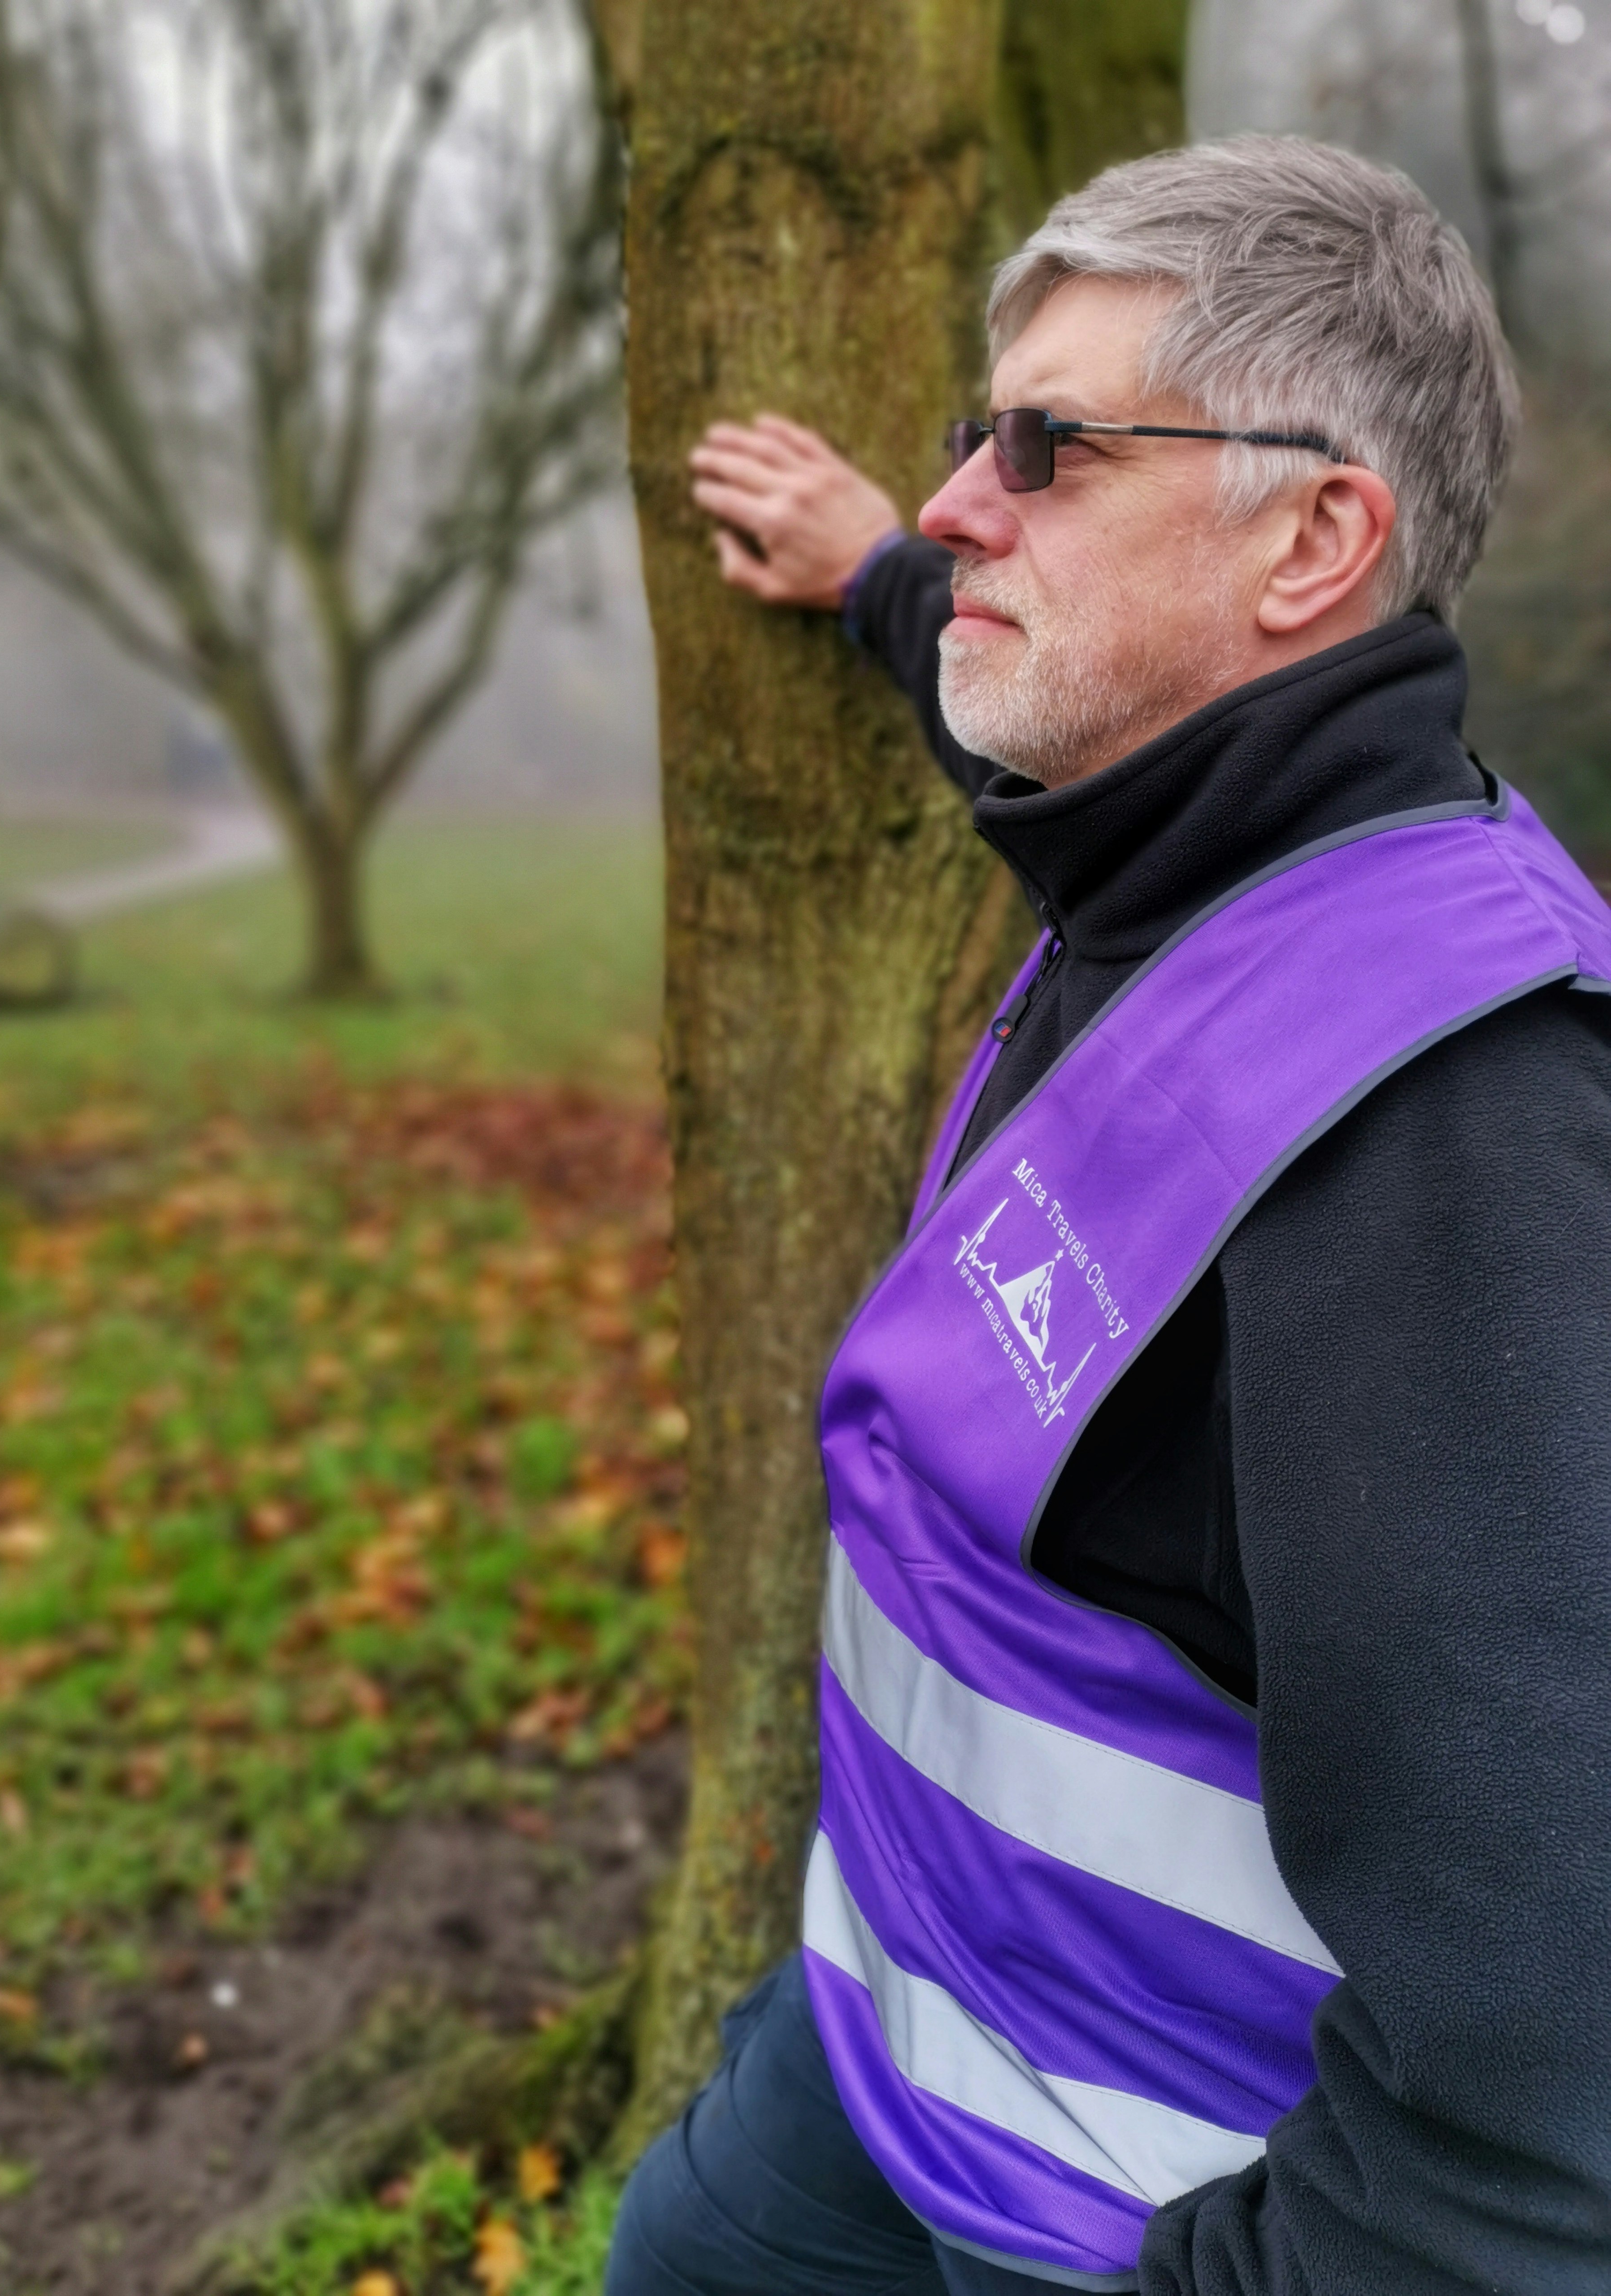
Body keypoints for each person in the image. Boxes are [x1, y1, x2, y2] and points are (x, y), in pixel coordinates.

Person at [606, 135, 1611, 2295]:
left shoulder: (1468, 1138)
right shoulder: (1163, 835)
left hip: (1114, 2194)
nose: (965, 495)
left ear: (1315, 538)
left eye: (1047, 447)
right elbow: (1019, 725)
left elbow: (1551, 2108)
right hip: (886, 2017)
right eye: (976, 437)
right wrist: (883, 569)